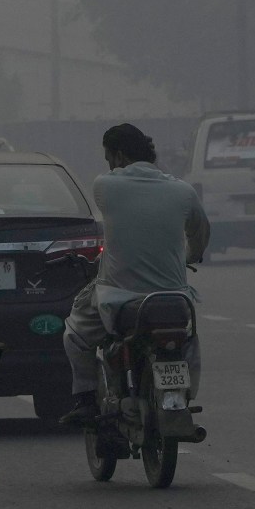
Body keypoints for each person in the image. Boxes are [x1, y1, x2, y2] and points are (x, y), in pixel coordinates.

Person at [58, 122, 209, 425]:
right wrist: (191, 256)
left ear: (118, 155)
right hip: (174, 299)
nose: (108, 165)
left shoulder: (104, 186)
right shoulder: (183, 191)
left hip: (119, 299)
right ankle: (182, 395)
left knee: (74, 335)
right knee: (189, 338)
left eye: (108, 157)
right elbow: (200, 233)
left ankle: (86, 400)